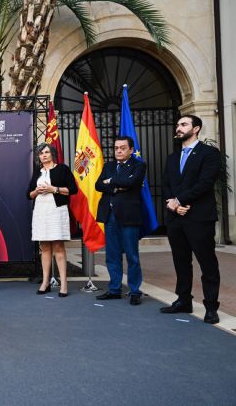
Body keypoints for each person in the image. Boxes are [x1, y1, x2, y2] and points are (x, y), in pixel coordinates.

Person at [160, 115, 222, 324]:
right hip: (176, 218)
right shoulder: (172, 157)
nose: (178, 127)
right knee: (181, 262)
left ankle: (211, 307)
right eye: (177, 124)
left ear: (196, 129)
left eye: (183, 124)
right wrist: (173, 204)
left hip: (199, 217)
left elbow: (205, 183)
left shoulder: (210, 153)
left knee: (207, 263)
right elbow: (166, 184)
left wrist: (179, 200)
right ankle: (183, 300)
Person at [94, 136, 146, 305]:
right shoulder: (109, 165)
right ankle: (115, 289)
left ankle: (135, 291)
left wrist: (112, 182)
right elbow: (98, 185)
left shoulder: (138, 165)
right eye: (116, 148)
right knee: (112, 255)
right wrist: (118, 184)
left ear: (131, 150)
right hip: (110, 216)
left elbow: (133, 182)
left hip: (129, 216)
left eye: (123, 148)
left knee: (132, 255)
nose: (118, 151)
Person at [26, 143, 77, 297]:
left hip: (57, 211)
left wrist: (53, 189)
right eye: (41, 153)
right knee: (45, 248)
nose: (44, 155)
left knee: (58, 247)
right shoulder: (37, 172)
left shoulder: (62, 169)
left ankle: (64, 284)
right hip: (41, 212)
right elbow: (28, 194)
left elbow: (73, 190)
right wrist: (36, 191)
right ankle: (45, 282)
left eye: (47, 152)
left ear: (52, 154)